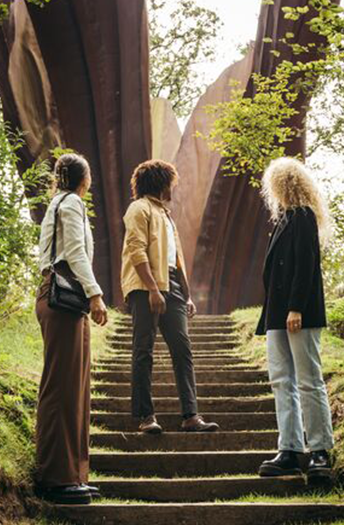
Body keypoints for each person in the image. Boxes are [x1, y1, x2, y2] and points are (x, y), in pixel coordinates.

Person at [120, 159, 218, 434]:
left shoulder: (165, 215)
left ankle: (191, 415)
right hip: (145, 287)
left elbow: (175, 258)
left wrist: (186, 295)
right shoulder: (139, 209)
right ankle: (145, 416)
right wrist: (153, 289)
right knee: (143, 350)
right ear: (161, 183)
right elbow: (136, 250)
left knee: (182, 350)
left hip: (172, 286)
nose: (173, 188)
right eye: (170, 183)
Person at [34, 152, 108, 505]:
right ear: (85, 179)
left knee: (75, 388)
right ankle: (55, 478)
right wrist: (95, 294)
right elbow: (75, 252)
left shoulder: (57, 204)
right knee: (62, 387)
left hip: (62, 298)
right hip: (63, 296)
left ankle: (74, 475)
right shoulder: (72, 203)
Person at [255, 156, 334, 480]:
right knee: (281, 381)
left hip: (298, 312)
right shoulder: (284, 220)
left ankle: (320, 450)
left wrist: (296, 307)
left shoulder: (303, 217)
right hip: (277, 313)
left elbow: (306, 265)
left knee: (309, 380)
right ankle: (288, 449)